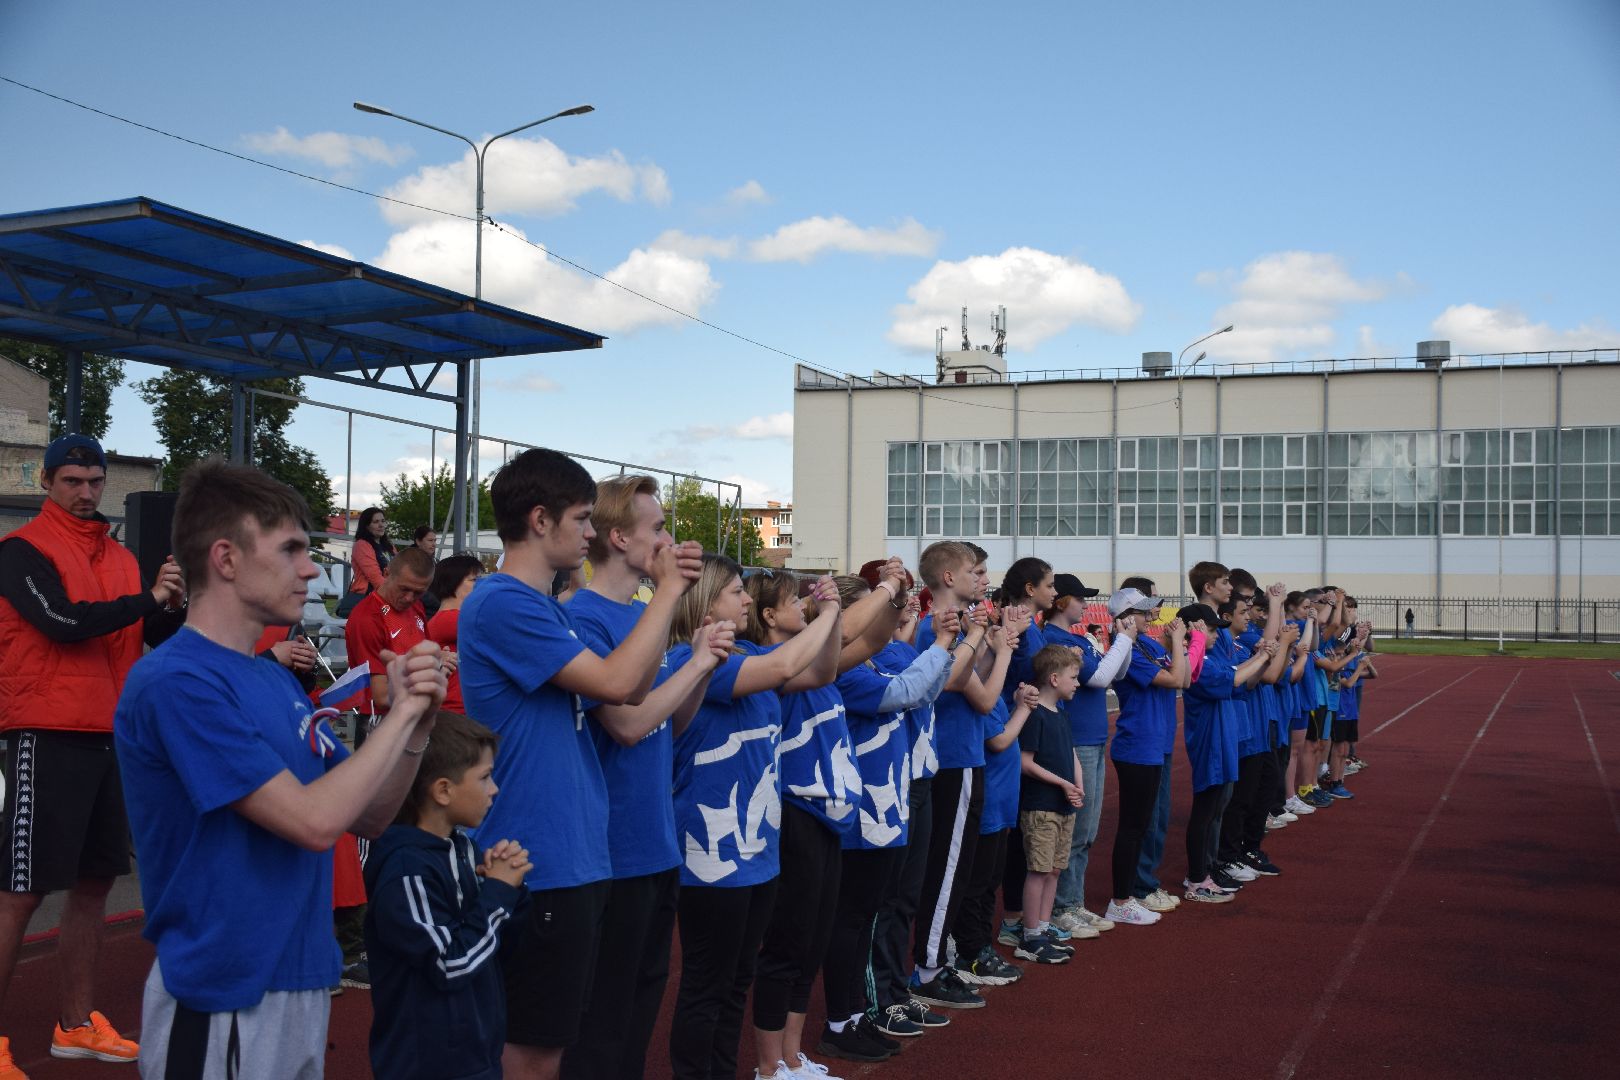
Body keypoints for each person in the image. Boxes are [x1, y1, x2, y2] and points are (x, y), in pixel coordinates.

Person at [115, 458, 445, 1077]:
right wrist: (398, 717)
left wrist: (416, 726)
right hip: (226, 993)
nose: (312, 567)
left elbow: (371, 814)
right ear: (226, 559)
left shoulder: (276, 681)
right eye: (292, 548)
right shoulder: (177, 680)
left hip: (299, 978)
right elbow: (315, 823)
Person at [456, 448, 700, 1080]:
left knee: (559, 1042)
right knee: (534, 1052)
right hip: (541, 854)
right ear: (541, 520)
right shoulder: (504, 602)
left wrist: (663, 603)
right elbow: (621, 690)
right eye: (582, 518)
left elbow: (636, 687)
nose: (591, 533)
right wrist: (668, 589)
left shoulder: (542, 607)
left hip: (573, 854)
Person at [0, 433, 185, 1072]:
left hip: (113, 732)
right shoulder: (20, 551)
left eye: (94, 480)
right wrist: (147, 599)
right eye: (72, 480)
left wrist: (171, 601)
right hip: (44, 729)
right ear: (48, 483)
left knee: (94, 883)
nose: (85, 491)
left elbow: (143, 630)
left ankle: (74, 1025)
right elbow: (64, 621)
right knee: (21, 889)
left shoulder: (119, 555)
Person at [562, 476, 724, 1080]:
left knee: (635, 1017)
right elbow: (626, 724)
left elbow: (670, 725)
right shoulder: (582, 617)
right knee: (601, 1026)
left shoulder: (642, 614)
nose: (669, 539)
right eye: (657, 528)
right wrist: (697, 664)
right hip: (613, 849)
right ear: (619, 536)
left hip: (655, 845)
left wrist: (701, 667)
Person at [663, 556, 840, 1080]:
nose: (746, 601)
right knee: (706, 984)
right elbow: (786, 667)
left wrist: (828, 614)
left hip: (756, 849)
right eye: (737, 592)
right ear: (706, 600)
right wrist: (828, 614)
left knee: (736, 980)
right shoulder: (696, 659)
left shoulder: (743, 655)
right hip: (712, 851)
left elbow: (821, 670)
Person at [746, 562, 901, 1074]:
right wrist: (876, 590)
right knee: (787, 943)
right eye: (793, 603)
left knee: (809, 945)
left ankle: (792, 1056)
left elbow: (871, 639)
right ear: (769, 615)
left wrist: (896, 597)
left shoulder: (818, 666)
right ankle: (770, 1065)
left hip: (829, 815)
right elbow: (853, 628)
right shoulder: (774, 665)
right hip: (797, 810)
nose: (803, 608)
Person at [363, 712, 530, 1080]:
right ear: (442, 790)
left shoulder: (461, 848)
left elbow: (493, 946)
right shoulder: (407, 870)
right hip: (429, 1063)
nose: (494, 789)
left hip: (475, 1052)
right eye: (485, 777)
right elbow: (449, 964)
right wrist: (499, 893)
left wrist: (511, 891)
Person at [830, 574, 960, 1044]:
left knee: (893, 900)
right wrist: (943, 641)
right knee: (864, 912)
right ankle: (862, 1007)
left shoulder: (883, 656)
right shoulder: (844, 667)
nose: (888, 615)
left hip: (894, 795)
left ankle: (881, 996)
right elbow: (903, 693)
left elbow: (925, 689)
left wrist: (948, 643)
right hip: (866, 801)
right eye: (875, 608)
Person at [909, 543, 1006, 1009]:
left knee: (954, 867)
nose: (983, 579)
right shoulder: (936, 626)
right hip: (949, 757)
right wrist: (981, 643)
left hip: (960, 754)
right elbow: (958, 684)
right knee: (945, 869)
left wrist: (990, 644)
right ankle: (928, 966)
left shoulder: (958, 626)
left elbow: (973, 680)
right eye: (974, 571)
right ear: (948, 577)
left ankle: (936, 957)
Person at [1043, 575, 1132, 936]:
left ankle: (1073, 902)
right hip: (1076, 740)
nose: (1085, 605)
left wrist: (1122, 642)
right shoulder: (1055, 639)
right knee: (1076, 827)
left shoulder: (1079, 638)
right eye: (1080, 599)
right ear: (1062, 602)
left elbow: (1117, 674)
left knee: (1088, 828)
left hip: (1093, 737)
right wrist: (1124, 638)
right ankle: (1063, 906)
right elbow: (1097, 679)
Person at [1105, 588, 1188, 927]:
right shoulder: (1127, 651)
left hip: (1153, 743)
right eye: (1143, 612)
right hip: (1137, 744)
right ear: (1125, 618)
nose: (1151, 616)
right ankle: (1121, 899)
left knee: (1144, 824)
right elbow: (1175, 678)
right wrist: (1180, 643)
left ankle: (1133, 892)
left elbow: (1181, 676)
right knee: (1133, 826)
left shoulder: (1149, 645)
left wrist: (1175, 646)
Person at [1014, 646, 1085, 964]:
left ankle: (1042, 928)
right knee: (1039, 870)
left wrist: (1078, 785)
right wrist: (1062, 783)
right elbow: (1025, 763)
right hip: (1041, 806)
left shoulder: (1062, 715)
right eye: (1074, 677)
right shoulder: (1035, 716)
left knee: (1054, 869)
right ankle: (1030, 936)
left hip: (1063, 805)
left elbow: (1071, 756)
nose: (1077, 683)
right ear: (1054, 679)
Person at [425, 554, 482, 717]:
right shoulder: (449, 619)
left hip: (459, 710)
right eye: (474, 580)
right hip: (455, 712)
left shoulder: (449, 618)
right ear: (453, 583)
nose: (481, 585)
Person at [341, 507, 396, 616]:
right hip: (368, 597)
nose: (381, 525)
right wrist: (397, 594)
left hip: (386, 595)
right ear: (366, 526)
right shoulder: (362, 545)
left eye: (383, 521)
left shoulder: (389, 546)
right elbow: (375, 578)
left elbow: (400, 570)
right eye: (376, 522)